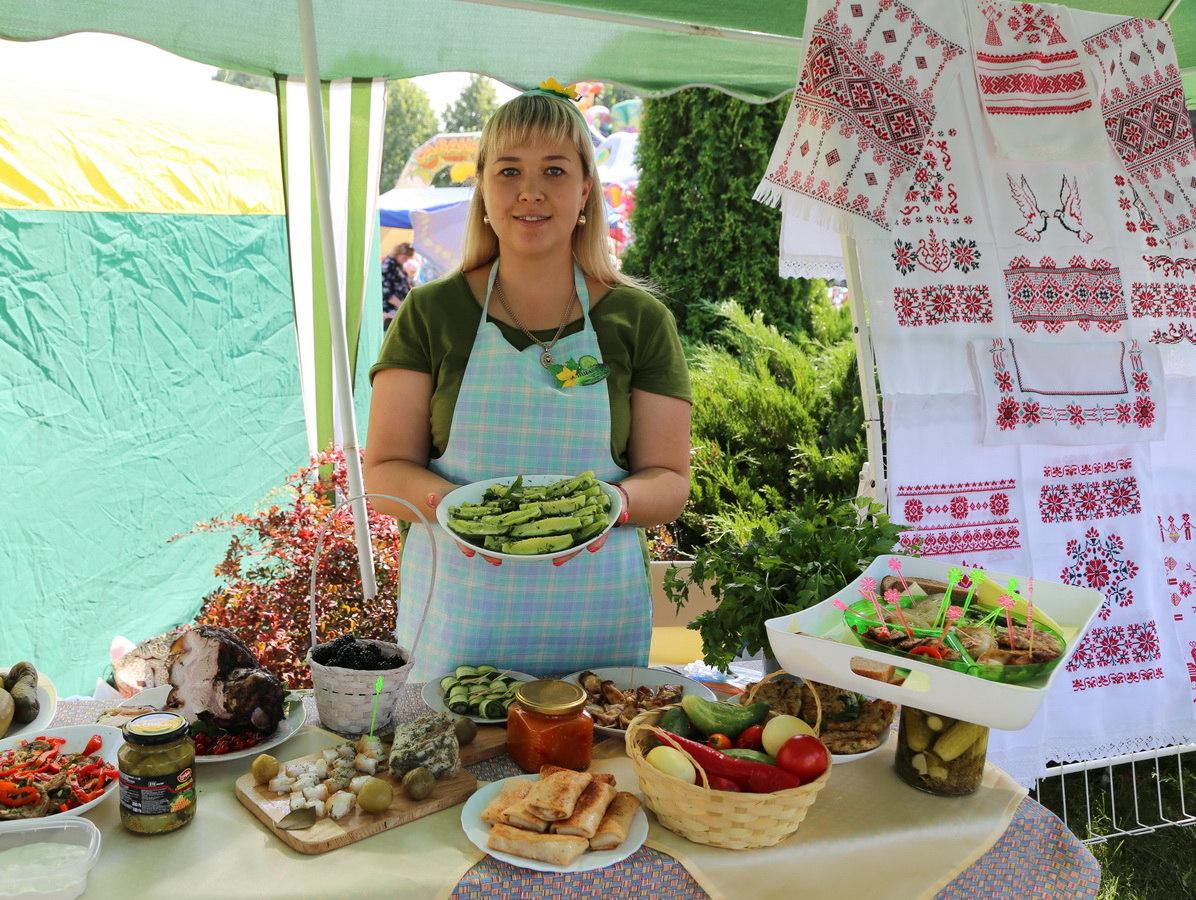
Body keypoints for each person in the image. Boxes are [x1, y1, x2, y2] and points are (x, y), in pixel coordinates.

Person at [364, 79, 691, 681]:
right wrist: (456, 510)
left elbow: (669, 480)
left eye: (555, 171)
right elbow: (383, 475)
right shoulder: (432, 313)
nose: (531, 192)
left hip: (597, 632)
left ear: (586, 189)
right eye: (509, 171)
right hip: (456, 627)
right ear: (483, 189)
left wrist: (615, 503)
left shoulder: (640, 320)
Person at [381, 242, 415, 329]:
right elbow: (386, 291)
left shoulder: (398, 265)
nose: (406, 261)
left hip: (398, 308)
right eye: (404, 258)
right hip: (391, 310)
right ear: (398, 254)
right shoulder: (388, 265)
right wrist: (401, 305)